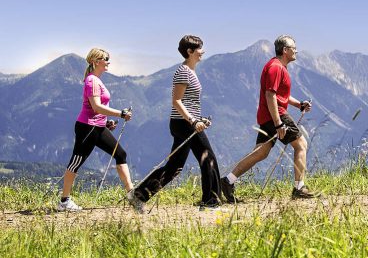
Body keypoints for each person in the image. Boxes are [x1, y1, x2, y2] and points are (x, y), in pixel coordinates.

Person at [127, 35, 222, 213]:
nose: (203, 51)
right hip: (185, 124)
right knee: (208, 159)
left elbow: (189, 102)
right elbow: (177, 101)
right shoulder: (183, 71)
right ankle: (211, 202)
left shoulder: (191, 72)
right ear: (190, 51)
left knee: (174, 167)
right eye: (200, 48)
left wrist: (199, 119)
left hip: (185, 123)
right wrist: (193, 120)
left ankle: (139, 195)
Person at [220, 34, 318, 202]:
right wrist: (279, 123)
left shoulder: (277, 66)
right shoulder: (276, 67)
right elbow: (270, 95)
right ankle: (299, 187)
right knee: (301, 144)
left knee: (261, 152)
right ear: (285, 50)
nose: (296, 51)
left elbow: (281, 95)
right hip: (276, 115)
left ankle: (228, 180)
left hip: (268, 116)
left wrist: (299, 105)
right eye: (294, 48)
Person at [57, 48, 134, 211]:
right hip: (87, 128)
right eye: (106, 58)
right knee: (76, 162)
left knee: (120, 154)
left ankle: (132, 194)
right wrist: (120, 113)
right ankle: (64, 201)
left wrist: (106, 123)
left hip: (98, 127)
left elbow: (98, 110)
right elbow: (96, 107)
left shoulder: (97, 80)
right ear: (96, 61)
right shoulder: (92, 80)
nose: (108, 62)